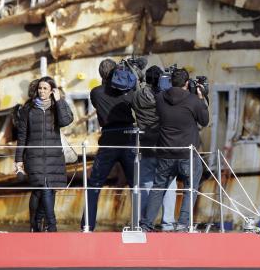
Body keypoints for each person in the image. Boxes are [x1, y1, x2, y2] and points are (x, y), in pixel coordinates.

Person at [140, 68, 208, 231]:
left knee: (158, 189)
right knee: (190, 187)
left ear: (170, 81)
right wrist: (201, 98)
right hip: (187, 153)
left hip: (165, 153)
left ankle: (146, 225)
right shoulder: (193, 100)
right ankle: (183, 224)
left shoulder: (160, 98)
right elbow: (204, 121)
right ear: (186, 83)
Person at [82, 59, 138, 231]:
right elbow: (135, 98)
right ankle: (140, 224)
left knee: (94, 185)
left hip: (108, 140)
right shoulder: (127, 91)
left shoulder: (96, 92)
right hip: (128, 138)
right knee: (135, 184)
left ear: (101, 74)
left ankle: (87, 226)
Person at [15, 76, 74, 232]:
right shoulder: (28, 109)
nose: (42, 91)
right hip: (33, 156)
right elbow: (22, 136)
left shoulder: (57, 107)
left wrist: (59, 100)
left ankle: (36, 224)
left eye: (45, 88)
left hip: (54, 155)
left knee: (45, 190)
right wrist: (18, 160)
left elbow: (66, 121)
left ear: (52, 91)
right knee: (44, 187)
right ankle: (52, 225)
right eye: (40, 88)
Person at [132, 65, 176, 230]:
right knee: (169, 184)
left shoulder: (136, 96)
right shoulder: (163, 98)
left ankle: (141, 221)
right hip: (164, 144)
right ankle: (167, 222)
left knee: (145, 183)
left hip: (145, 144)